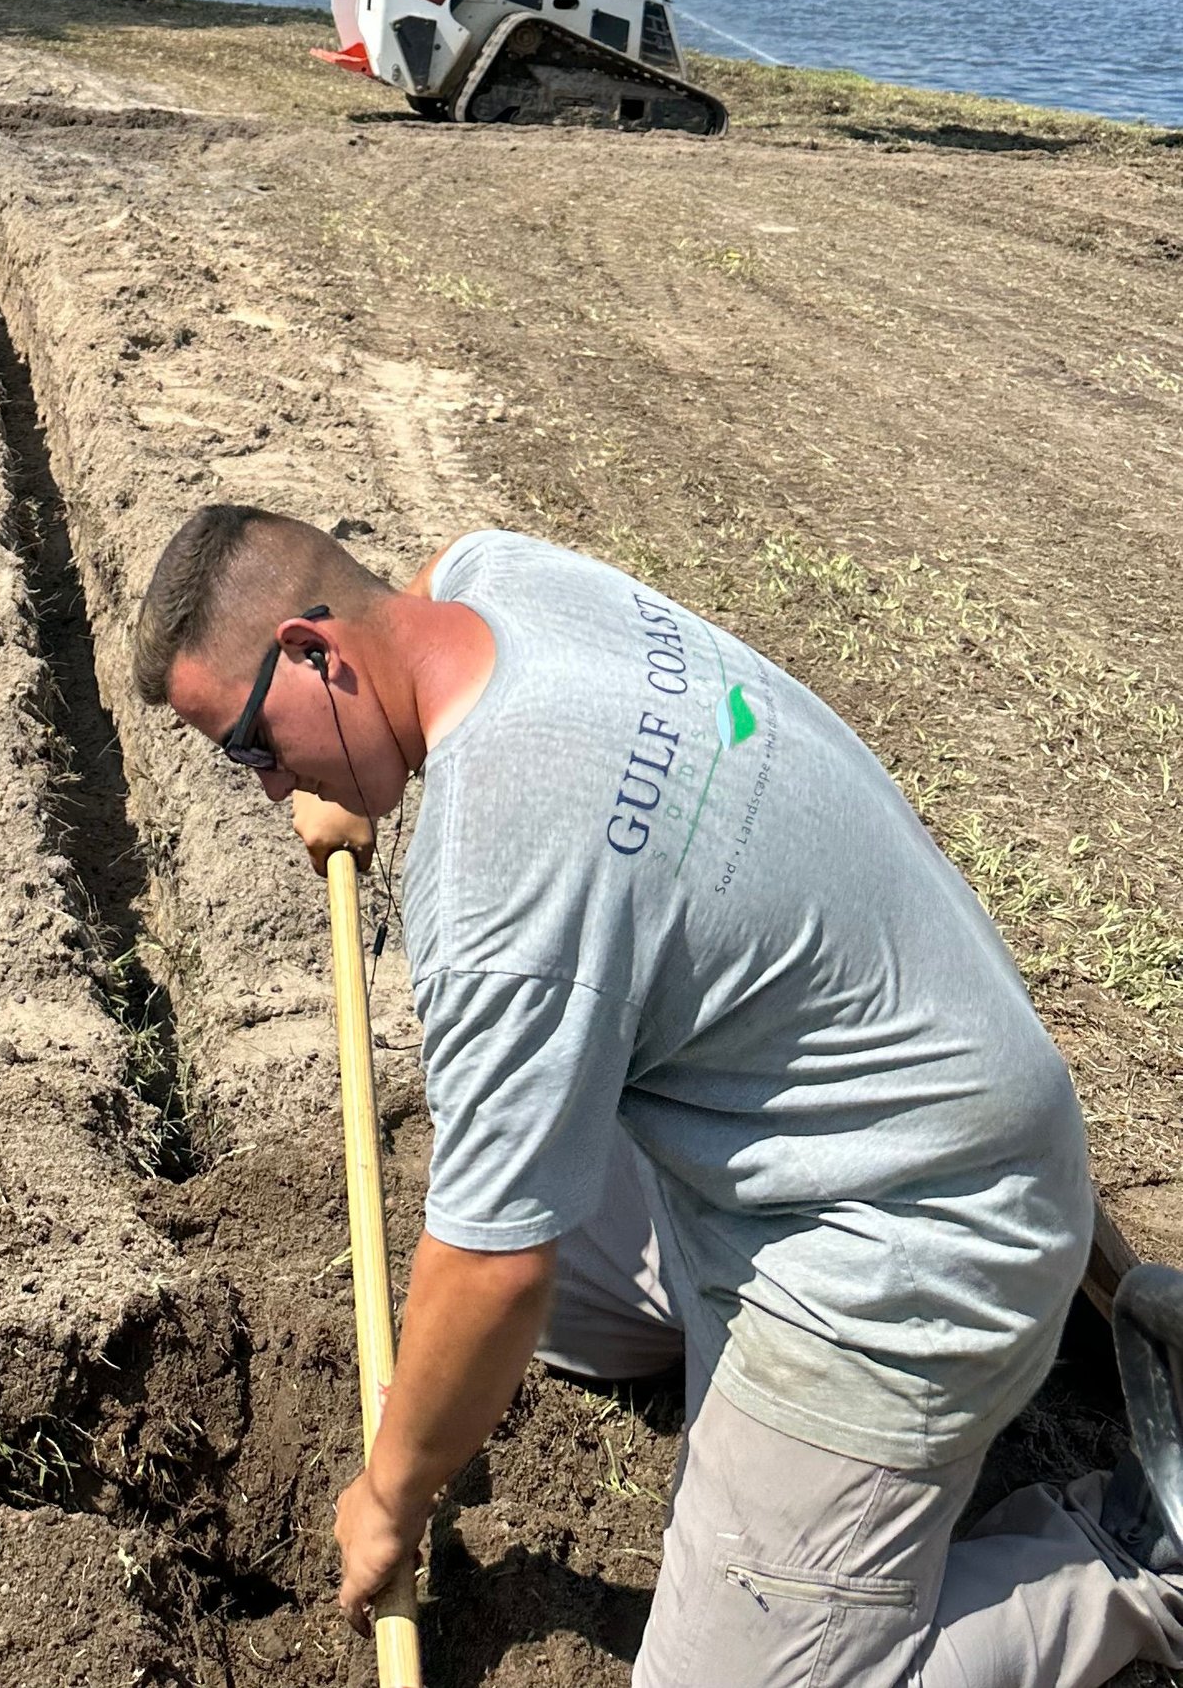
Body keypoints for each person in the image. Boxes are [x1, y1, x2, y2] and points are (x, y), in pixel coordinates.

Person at [134, 502, 1183, 1688]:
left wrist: (390, 1492)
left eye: (251, 749)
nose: (271, 789)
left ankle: (1139, 1555)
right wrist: (359, 766)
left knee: (493, 1286)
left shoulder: (492, 894)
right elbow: (428, 591)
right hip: (894, 1103)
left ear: (315, 651)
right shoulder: (500, 578)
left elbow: (490, 1270)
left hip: (918, 1238)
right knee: (545, 1272)